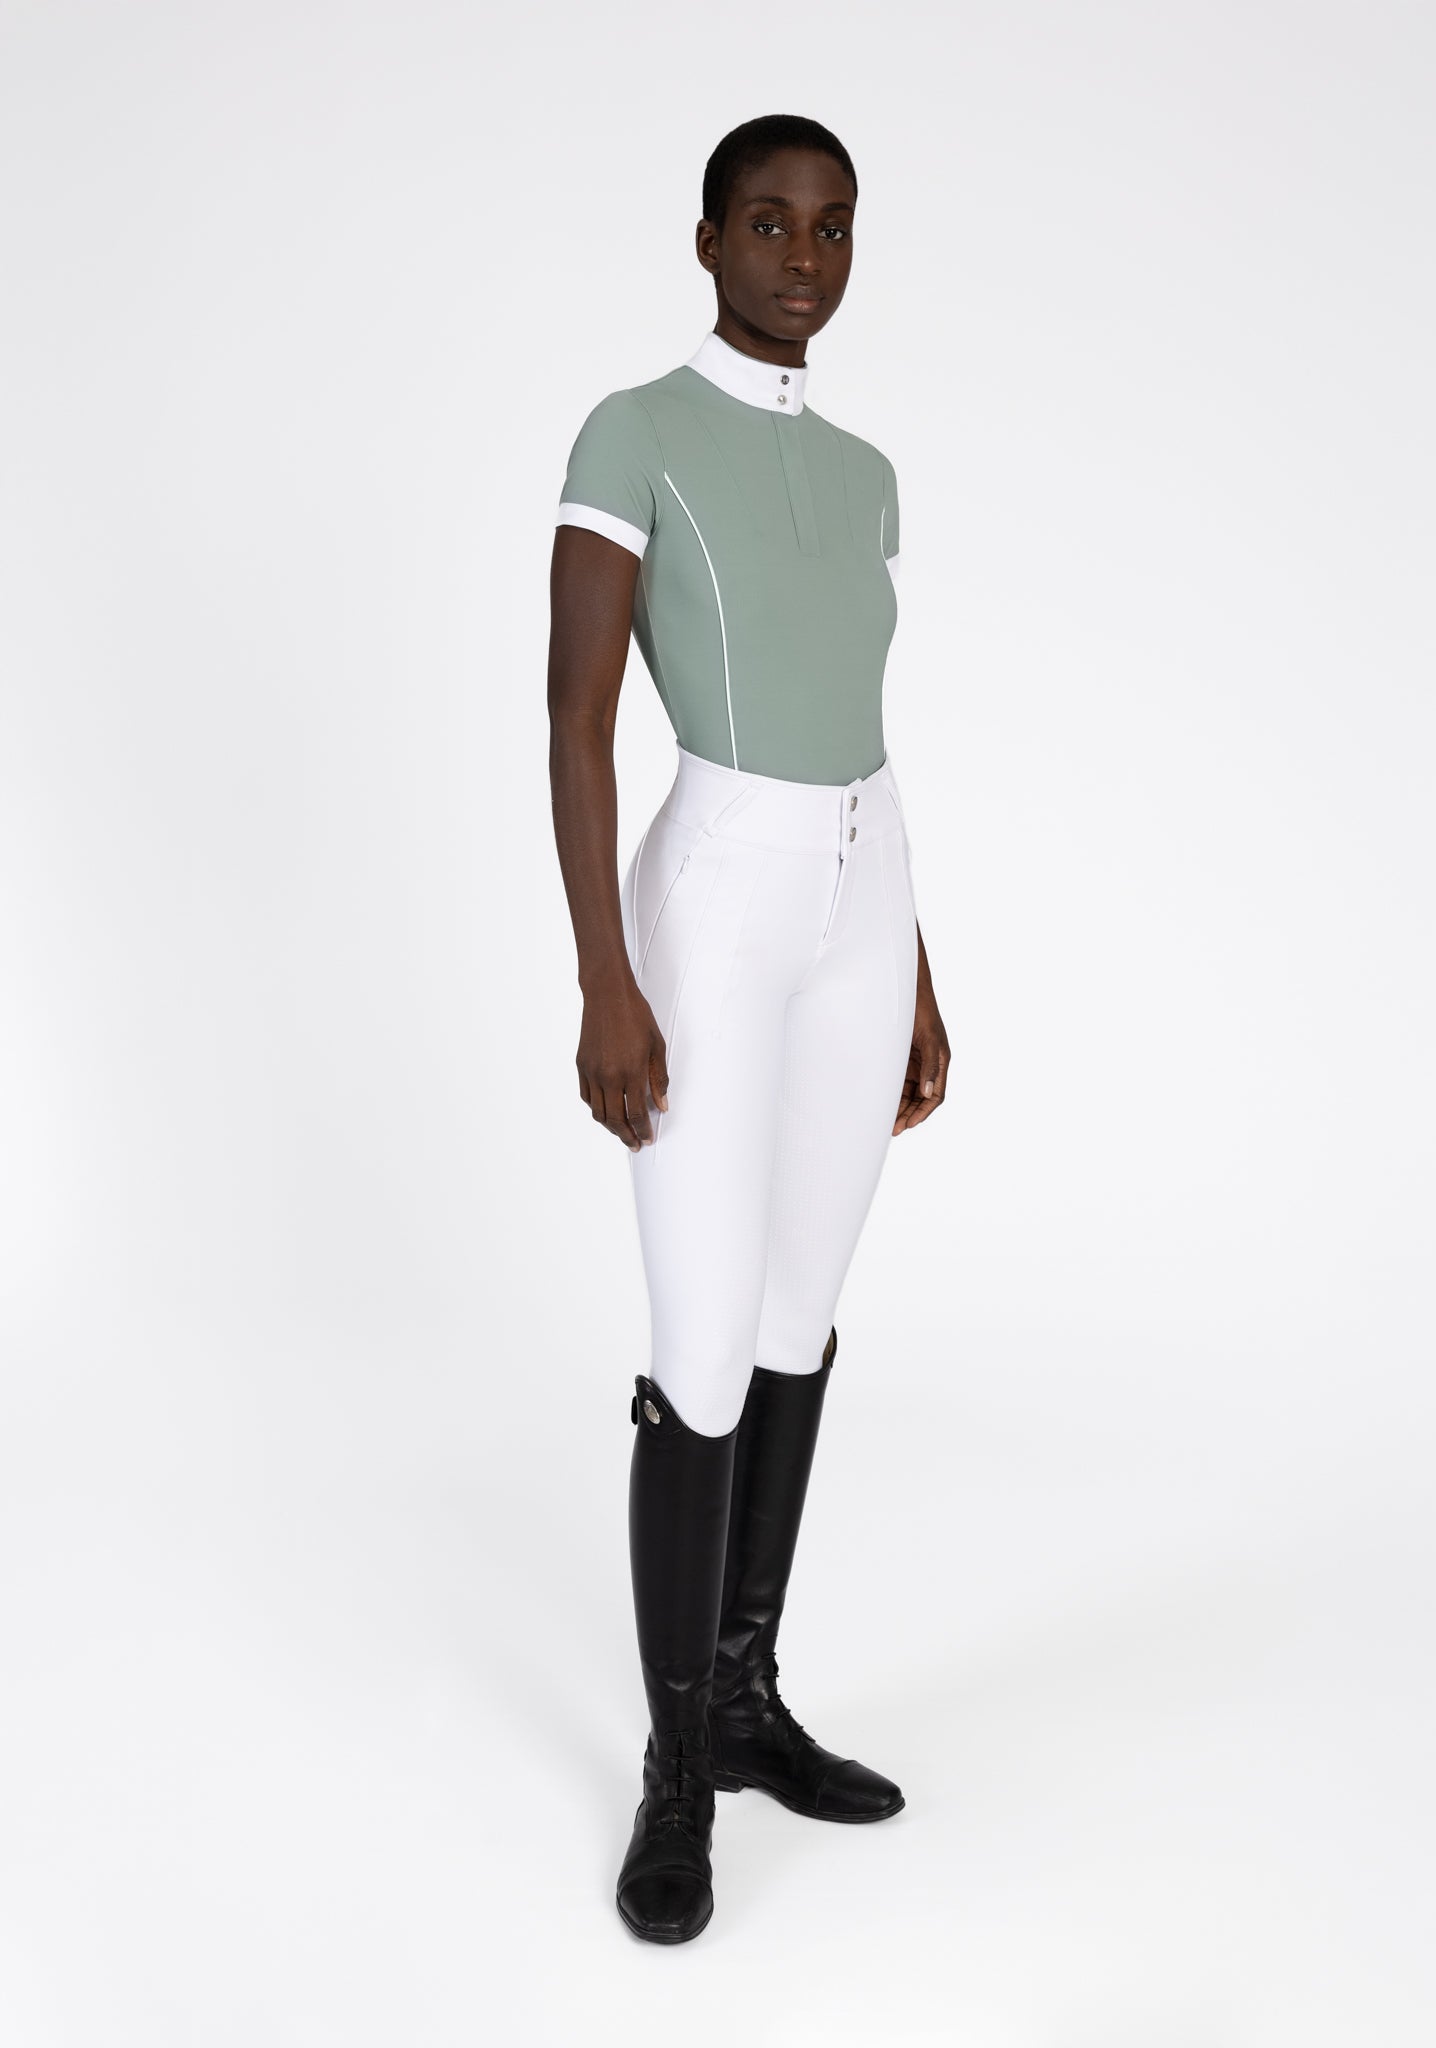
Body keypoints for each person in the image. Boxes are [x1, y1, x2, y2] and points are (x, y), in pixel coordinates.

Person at [546, 112, 951, 1944]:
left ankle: (744, 1697)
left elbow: (863, 725)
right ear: (707, 238)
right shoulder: (633, 434)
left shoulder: (866, 474)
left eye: (834, 227)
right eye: (771, 223)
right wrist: (604, 977)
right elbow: (575, 718)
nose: (804, 256)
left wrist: (916, 963)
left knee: (798, 1317)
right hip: (713, 901)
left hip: (865, 894)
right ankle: (672, 1772)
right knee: (704, 1340)